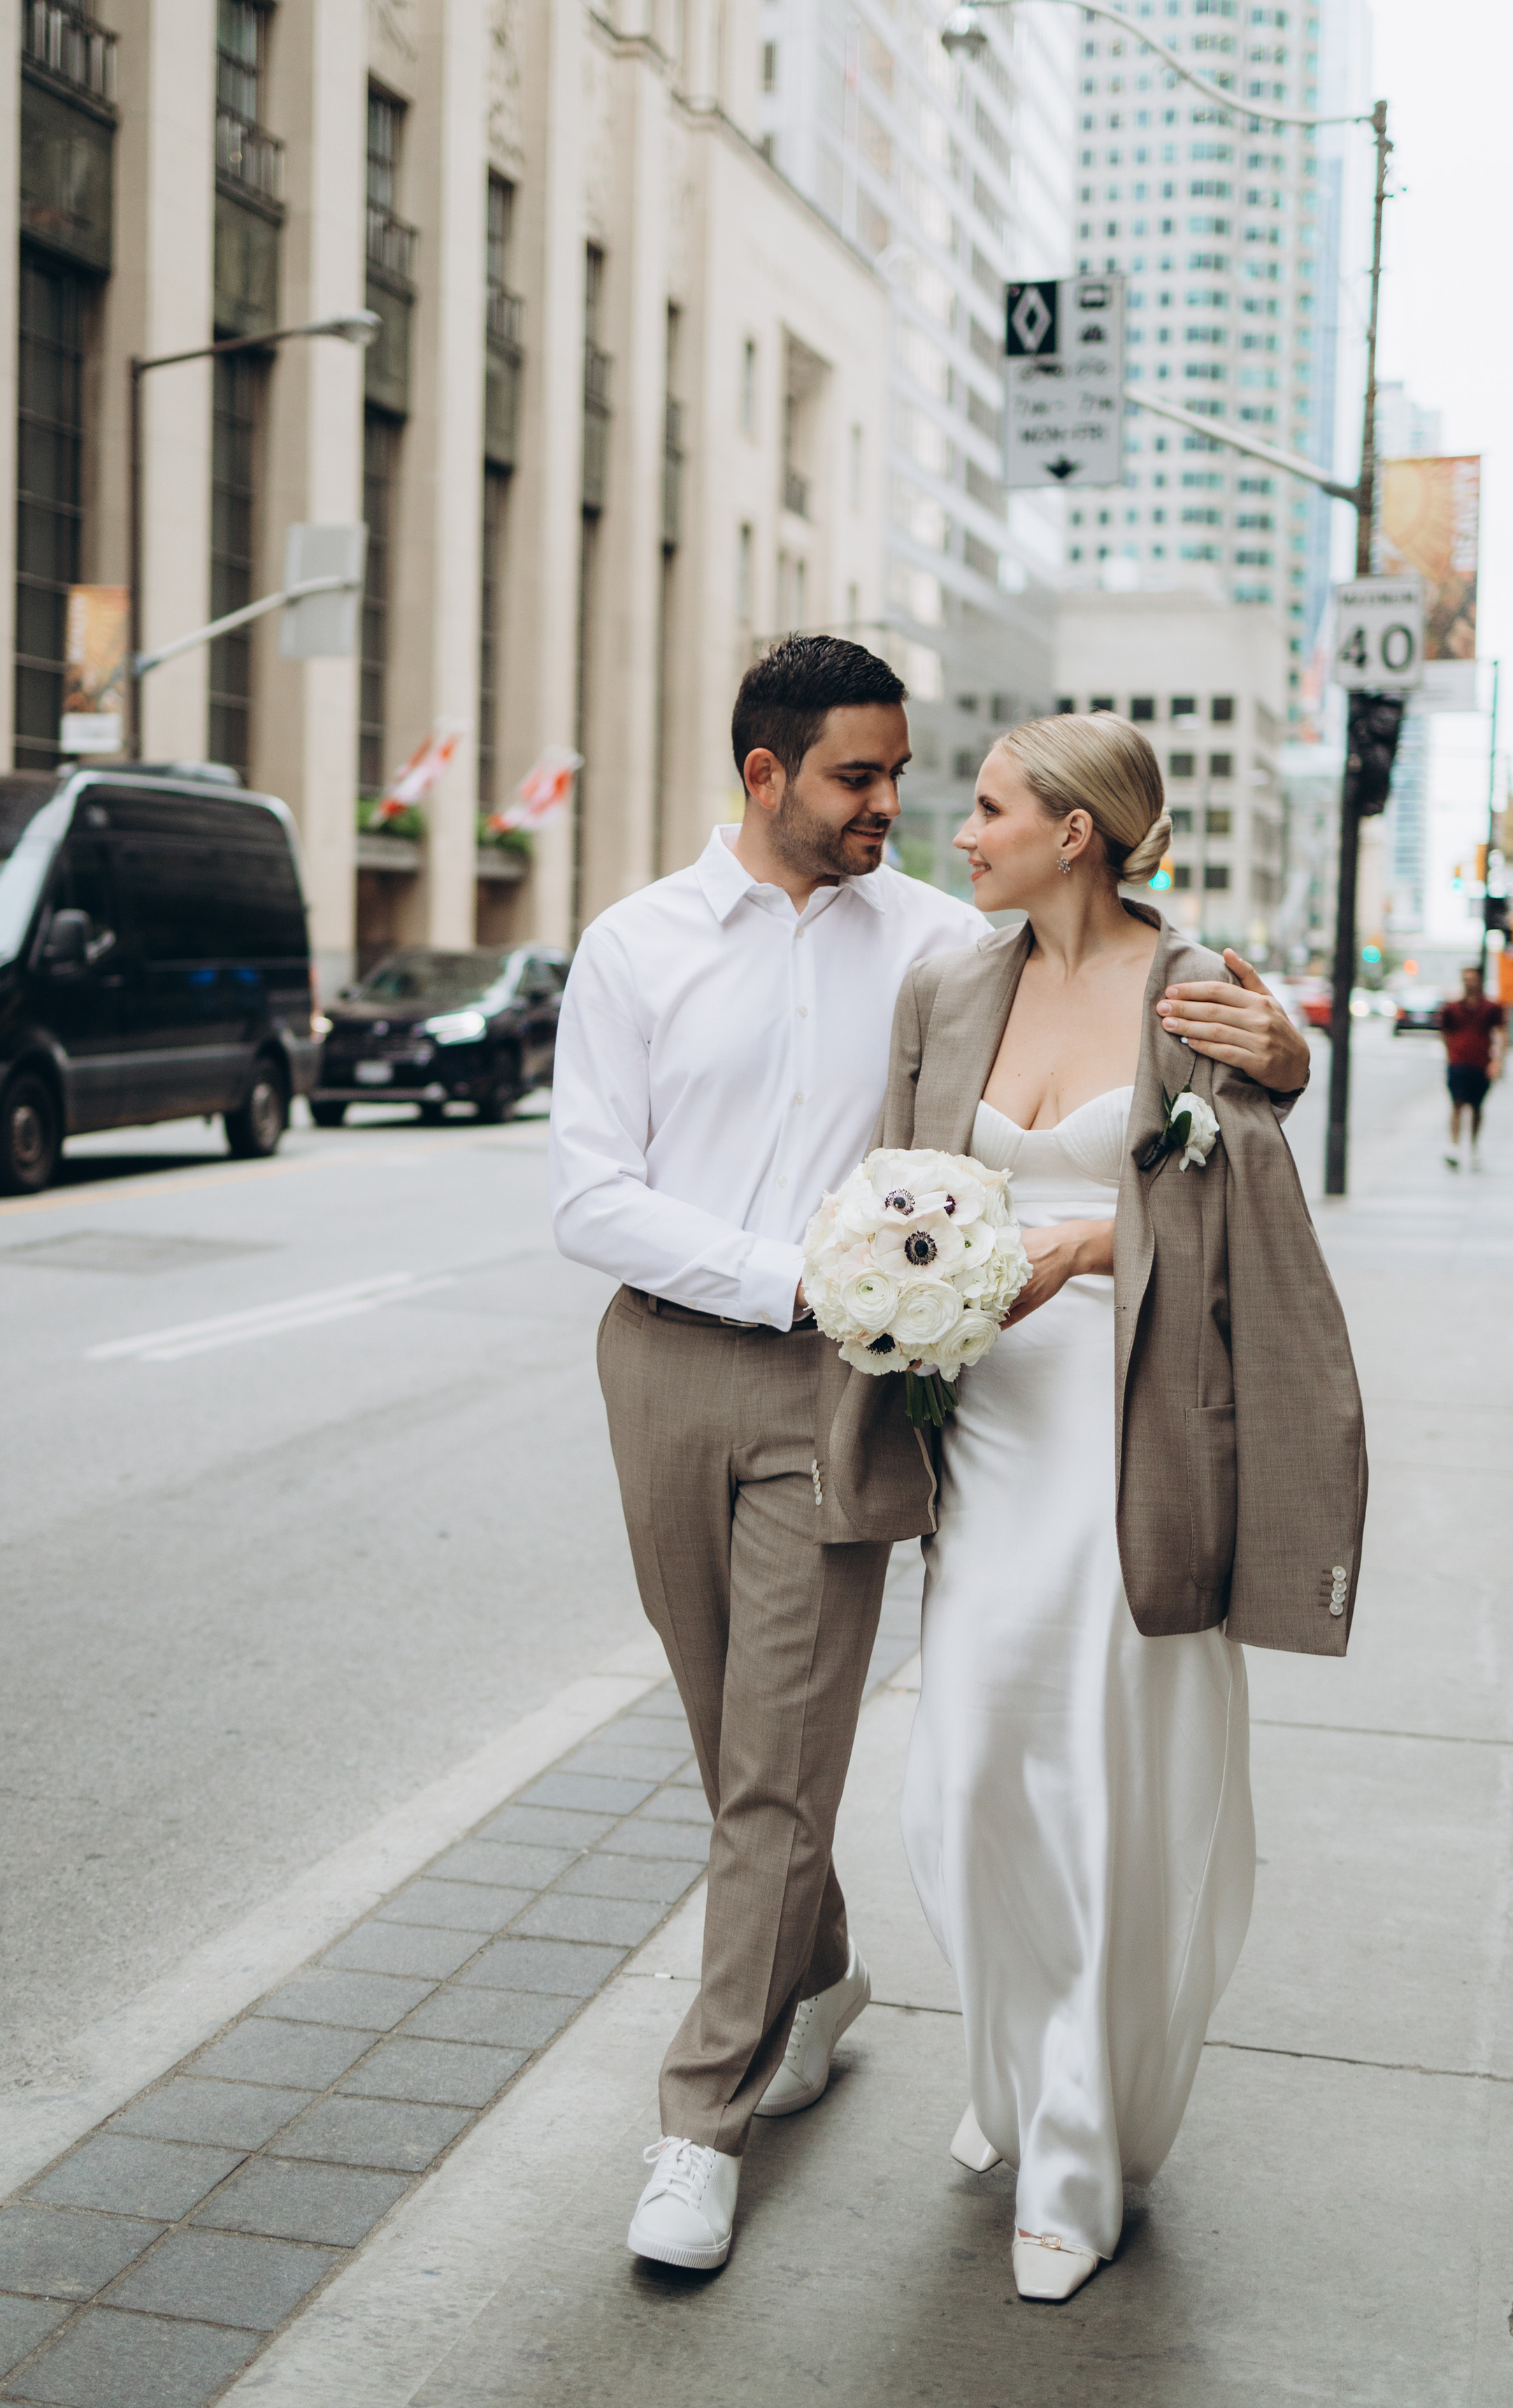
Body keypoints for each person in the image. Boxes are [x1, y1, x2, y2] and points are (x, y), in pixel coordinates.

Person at [549, 642, 1311, 2274]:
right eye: (858, 779)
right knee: (741, 1741)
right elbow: (586, 1194)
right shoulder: (643, 946)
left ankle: (702, 2123)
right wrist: (798, 1278)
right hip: (687, 1366)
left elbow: (1220, 1081)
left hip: (879, 1384)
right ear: (764, 776)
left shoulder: (939, 933)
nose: (900, 811)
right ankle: (818, 1972)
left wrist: (1286, 1052)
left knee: (789, 1769)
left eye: (926, 784)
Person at [822, 713, 1364, 2304]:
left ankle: (1073, 2149)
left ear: (1073, 829)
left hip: (1128, 1433)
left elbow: (1233, 1215)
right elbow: (897, 1179)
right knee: (963, 1776)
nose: (957, 823)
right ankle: (1017, 2069)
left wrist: (1085, 1242)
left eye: (984, 804)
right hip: (976, 1424)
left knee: (1100, 1779)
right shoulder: (947, 983)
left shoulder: (1190, 985)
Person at [1440, 963, 1504, 1169]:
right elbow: (1445, 1033)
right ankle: (1454, 1146)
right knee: (1457, 1103)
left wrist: (1497, 1061)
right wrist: (1451, 1053)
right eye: (1466, 979)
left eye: (1472, 979)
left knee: (1477, 1107)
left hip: (1481, 1063)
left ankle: (1474, 1146)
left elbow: (1501, 1033)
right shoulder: (1452, 1009)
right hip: (1458, 1062)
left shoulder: (1491, 1008)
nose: (1469, 983)